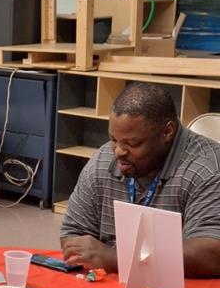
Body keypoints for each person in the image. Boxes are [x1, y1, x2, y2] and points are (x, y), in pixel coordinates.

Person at [60, 81, 220, 278]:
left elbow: (212, 254)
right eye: (113, 139)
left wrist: (114, 258)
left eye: (132, 143)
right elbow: (73, 235)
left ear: (167, 132)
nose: (118, 151)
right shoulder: (103, 161)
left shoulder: (206, 170)